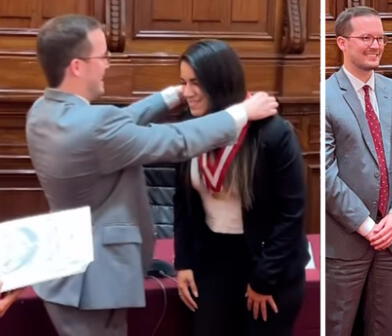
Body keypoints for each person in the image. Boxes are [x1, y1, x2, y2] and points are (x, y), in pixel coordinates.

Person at [26, 14, 278, 336]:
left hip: (65, 264)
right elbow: (177, 141)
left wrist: (172, 95)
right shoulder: (95, 126)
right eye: (103, 56)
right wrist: (241, 112)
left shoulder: (42, 111)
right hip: (94, 277)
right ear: (77, 66)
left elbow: (118, 123)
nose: (107, 64)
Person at [172, 40, 309, 336]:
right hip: (212, 261)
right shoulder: (188, 127)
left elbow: (291, 213)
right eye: (183, 82)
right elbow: (182, 203)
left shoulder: (273, 132)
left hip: (267, 263)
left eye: (195, 82)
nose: (186, 92)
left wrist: (264, 280)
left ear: (220, 83)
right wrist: (183, 261)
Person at [325, 6, 392, 336]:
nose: (376, 46)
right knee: (336, 327)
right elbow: (325, 175)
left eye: (381, 38)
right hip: (346, 240)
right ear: (341, 42)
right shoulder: (323, 97)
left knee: (385, 328)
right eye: (366, 38)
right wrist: (368, 226)